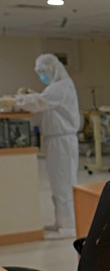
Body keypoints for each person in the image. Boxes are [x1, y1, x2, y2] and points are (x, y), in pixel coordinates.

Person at [6, 54, 80, 239]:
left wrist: (15, 101)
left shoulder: (60, 87)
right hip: (56, 140)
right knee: (58, 184)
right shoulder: (56, 87)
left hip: (62, 140)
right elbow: (42, 100)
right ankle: (61, 222)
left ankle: (69, 226)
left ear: (52, 69)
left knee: (64, 184)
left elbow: (39, 102)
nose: (41, 75)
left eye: (42, 72)